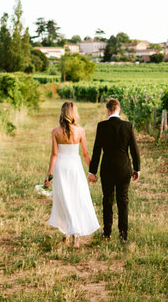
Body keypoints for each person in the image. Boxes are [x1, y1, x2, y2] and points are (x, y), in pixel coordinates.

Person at [44, 101, 100, 247]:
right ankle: (75, 235)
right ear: (74, 113)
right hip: (75, 168)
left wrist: (48, 175)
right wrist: (92, 170)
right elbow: (86, 154)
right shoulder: (80, 131)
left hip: (61, 168)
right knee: (75, 198)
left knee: (64, 200)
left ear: (62, 112)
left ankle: (67, 232)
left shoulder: (55, 131)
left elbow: (54, 154)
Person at [87, 98, 140, 243]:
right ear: (119, 109)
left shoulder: (102, 126)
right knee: (123, 200)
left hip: (107, 168)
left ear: (107, 110)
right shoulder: (127, 126)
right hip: (124, 168)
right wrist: (137, 168)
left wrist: (92, 171)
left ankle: (107, 232)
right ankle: (123, 234)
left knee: (107, 200)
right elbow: (134, 150)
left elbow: (97, 150)